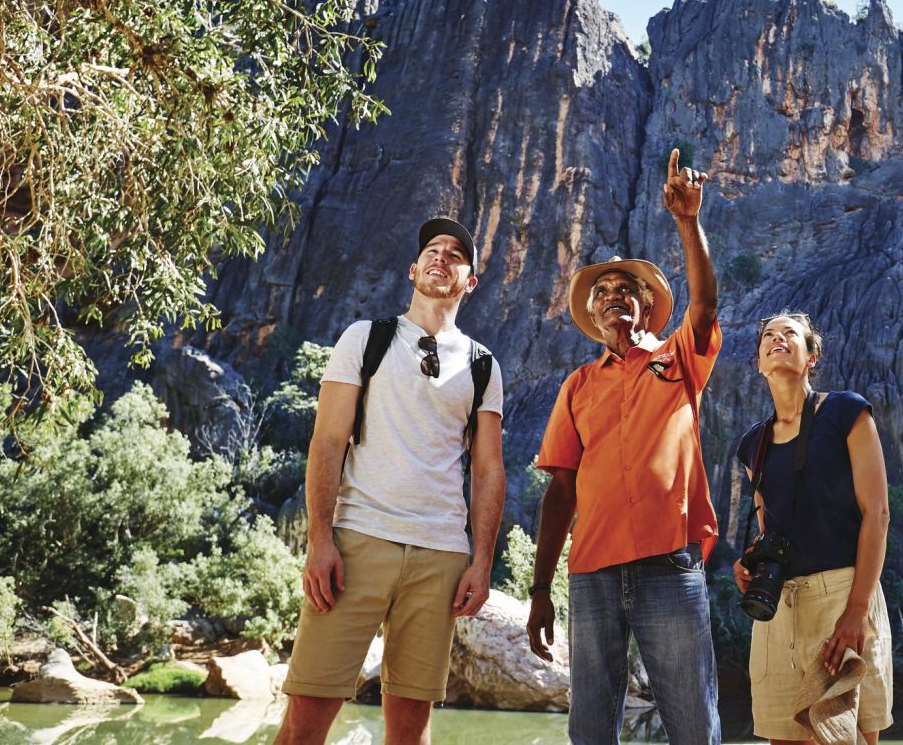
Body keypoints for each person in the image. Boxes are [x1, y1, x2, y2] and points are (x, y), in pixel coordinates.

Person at [273, 218, 505, 745]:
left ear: (470, 282)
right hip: (357, 543)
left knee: (410, 730)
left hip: (441, 554)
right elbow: (328, 442)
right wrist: (319, 540)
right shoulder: (365, 338)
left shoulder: (483, 365)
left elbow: (489, 469)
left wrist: (482, 561)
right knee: (305, 721)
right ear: (412, 270)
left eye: (455, 254)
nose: (441, 256)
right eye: (432, 250)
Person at [526, 148, 722, 745]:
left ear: (646, 305)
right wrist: (540, 591)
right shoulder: (578, 386)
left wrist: (687, 222)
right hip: (592, 572)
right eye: (603, 290)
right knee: (590, 728)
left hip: (669, 564)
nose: (613, 294)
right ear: (592, 312)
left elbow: (705, 306)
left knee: (694, 725)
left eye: (625, 288)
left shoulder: (678, 359)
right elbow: (561, 491)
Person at [734, 312, 893, 745]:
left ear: (811, 357)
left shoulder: (845, 411)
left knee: (847, 735)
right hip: (779, 608)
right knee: (783, 738)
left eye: (790, 333)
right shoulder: (753, 445)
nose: (777, 338)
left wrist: (857, 610)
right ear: (759, 363)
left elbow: (878, 512)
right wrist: (748, 563)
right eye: (769, 335)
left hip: (843, 594)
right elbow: (768, 528)